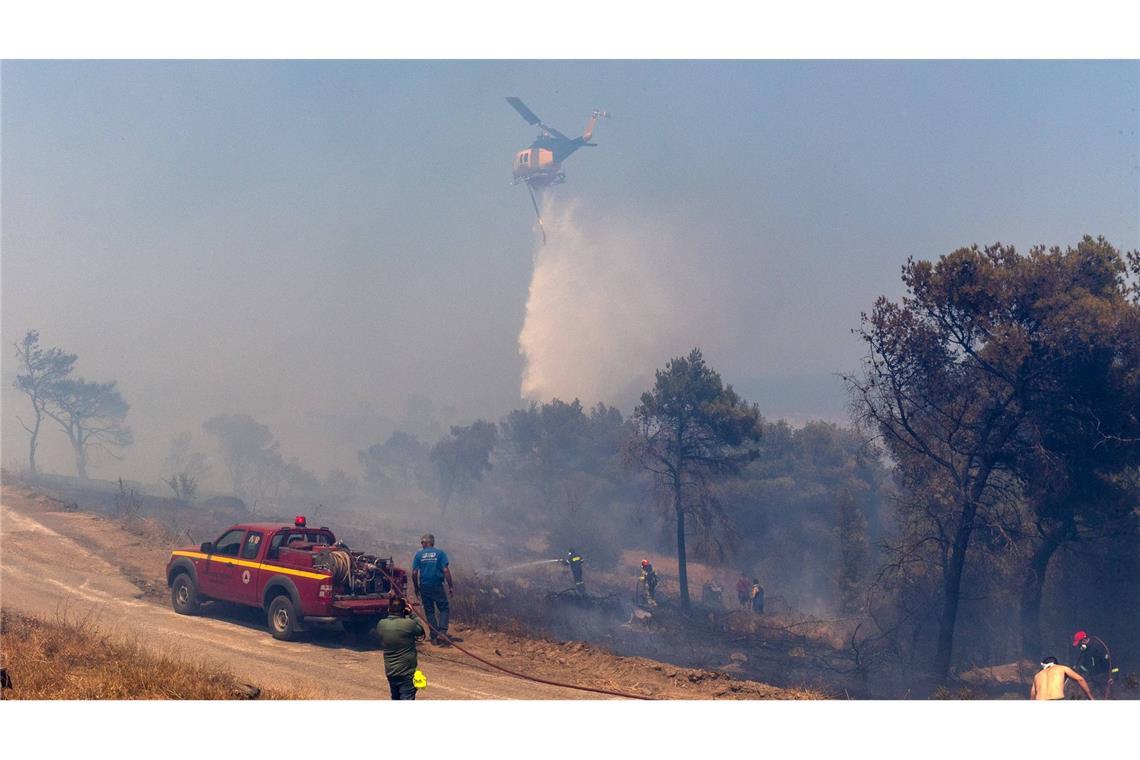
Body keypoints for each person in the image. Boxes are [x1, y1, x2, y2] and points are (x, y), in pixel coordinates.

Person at [377, 596, 425, 700]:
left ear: (389, 609)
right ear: (404, 610)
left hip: (391, 672)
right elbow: (421, 631)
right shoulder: (409, 624)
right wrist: (412, 614)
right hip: (406, 673)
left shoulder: (381, 624)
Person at [412, 533, 454, 645]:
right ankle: (443, 632)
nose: (421, 544)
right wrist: (450, 586)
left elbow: (415, 572)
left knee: (429, 611)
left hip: (424, 586)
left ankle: (434, 635)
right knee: (444, 608)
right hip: (437, 585)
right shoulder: (440, 553)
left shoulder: (419, 554)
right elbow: (445, 570)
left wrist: (416, 587)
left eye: (422, 542)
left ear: (427, 542)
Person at [1071, 630, 1114, 698]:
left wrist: (1113, 676)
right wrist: (1077, 670)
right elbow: (1086, 665)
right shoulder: (1087, 651)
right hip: (1094, 678)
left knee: (1107, 698)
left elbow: (1111, 662)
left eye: (1079, 644)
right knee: (1086, 695)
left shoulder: (1098, 647)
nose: (1079, 646)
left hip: (1104, 678)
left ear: (1084, 641)